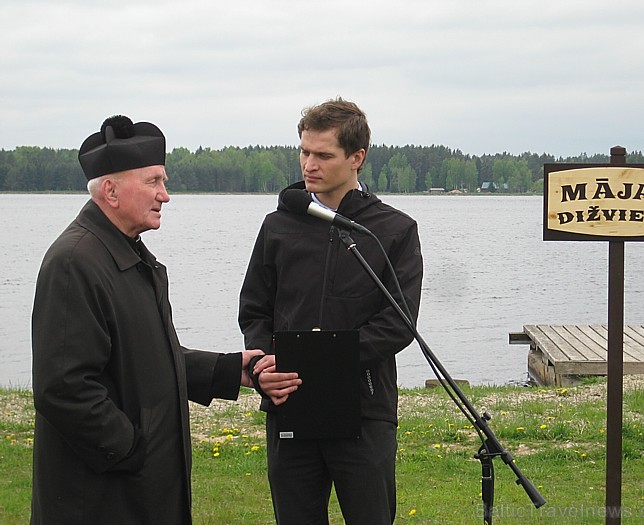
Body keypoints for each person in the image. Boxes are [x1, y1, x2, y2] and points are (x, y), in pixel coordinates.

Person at [30, 115, 279, 525]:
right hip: (101, 500)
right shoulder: (76, 262)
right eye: (153, 182)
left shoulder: (129, 256)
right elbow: (64, 387)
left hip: (139, 492)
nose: (165, 195)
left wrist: (229, 370)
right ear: (110, 190)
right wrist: (132, 449)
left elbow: (146, 356)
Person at [239, 97, 423, 524]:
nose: (309, 165)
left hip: (364, 406)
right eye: (304, 152)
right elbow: (254, 307)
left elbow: (398, 323)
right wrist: (265, 361)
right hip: (290, 400)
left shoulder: (392, 230)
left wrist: (324, 359)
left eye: (323, 155)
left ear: (357, 157)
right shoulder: (279, 225)